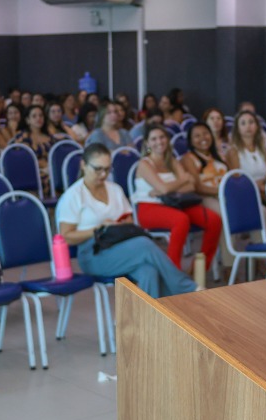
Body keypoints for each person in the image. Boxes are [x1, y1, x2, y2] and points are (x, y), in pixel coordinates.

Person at [55, 146, 195, 298]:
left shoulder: (114, 189)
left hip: (120, 245)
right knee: (144, 244)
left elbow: (128, 219)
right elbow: (66, 236)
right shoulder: (73, 195)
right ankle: (186, 289)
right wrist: (99, 228)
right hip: (92, 254)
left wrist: (120, 225)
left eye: (107, 169)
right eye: (98, 169)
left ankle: (151, 318)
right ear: (83, 165)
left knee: (149, 271)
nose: (103, 174)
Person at [131, 124, 221, 271]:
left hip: (175, 203)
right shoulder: (144, 164)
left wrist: (165, 189)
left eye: (162, 137)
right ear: (147, 143)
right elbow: (165, 188)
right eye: (154, 139)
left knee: (214, 220)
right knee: (181, 220)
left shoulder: (172, 161)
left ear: (167, 139)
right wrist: (181, 180)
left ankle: (200, 269)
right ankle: (173, 271)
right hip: (149, 208)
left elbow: (191, 186)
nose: (159, 142)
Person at [180, 121, 228, 214]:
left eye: (205, 133)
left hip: (225, 194)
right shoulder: (188, 159)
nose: (203, 138)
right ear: (191, 141)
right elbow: (197, 187)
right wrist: (221, 191)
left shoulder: (219, 155)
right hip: (205, 197)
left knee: (258, 209)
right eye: (197, 136)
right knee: (225, 212)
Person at [224, 109, 266, 192]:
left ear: (257, 126)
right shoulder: (233, 151)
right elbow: (236, 178)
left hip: (264, 189)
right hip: (245, 192)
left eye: (251, 122)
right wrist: (255, 185)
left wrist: (262, 183)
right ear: (237, 128)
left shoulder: (262, 149)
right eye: (243, 123)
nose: (248, 126)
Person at [15, 104, 55, 194]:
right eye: (34, 116)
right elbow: (22, 160)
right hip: (30, 172)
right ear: (27, 120)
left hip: (50, 170)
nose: (38, 118)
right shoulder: (22, 137)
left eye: (41, 115)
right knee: (50, 180)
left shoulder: (50, 138)